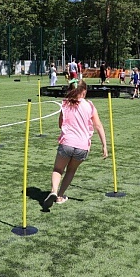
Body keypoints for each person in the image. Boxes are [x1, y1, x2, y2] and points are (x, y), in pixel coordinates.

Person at [43, 80, 108, 209]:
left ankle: (54, 191)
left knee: (58, 169)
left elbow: (60, 124)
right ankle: (60, 196)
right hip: (82, 146)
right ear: (83, 92)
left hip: (67, 143)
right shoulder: (89, 105)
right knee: (71, 170)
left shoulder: (65, 104)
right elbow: (98, 126)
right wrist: (104, 145)